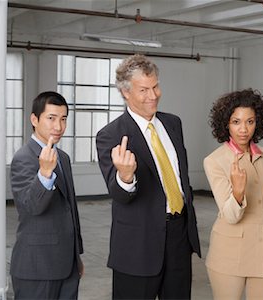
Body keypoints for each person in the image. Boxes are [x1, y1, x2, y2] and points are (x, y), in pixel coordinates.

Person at [96, 54, 201, 300]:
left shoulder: (173, 124)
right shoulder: (110, 135)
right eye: (143, 90)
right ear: (125, 93)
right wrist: (125, 176)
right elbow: (119, 194)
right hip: (137, 246)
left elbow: (179, 177)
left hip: (178, 237)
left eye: (155, 87)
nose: (153, 95)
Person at [203, 88, 263, 300]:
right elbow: (231, 216)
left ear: (258, 122)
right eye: (236, 122)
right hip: (229, 253)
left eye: (250, 122)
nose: (243, 129)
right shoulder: (214, 161)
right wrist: (238, 191)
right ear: (226, 123)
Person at [10, 91, 84, 299]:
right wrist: (44, 173)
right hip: (37, 267)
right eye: (51, 118)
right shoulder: (24, 158)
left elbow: (70, 209)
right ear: (34, 119)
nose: (58, 126)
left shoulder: (63, 157)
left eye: (63, 119)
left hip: (66, 265)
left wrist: (76, 258)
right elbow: (31, 207)